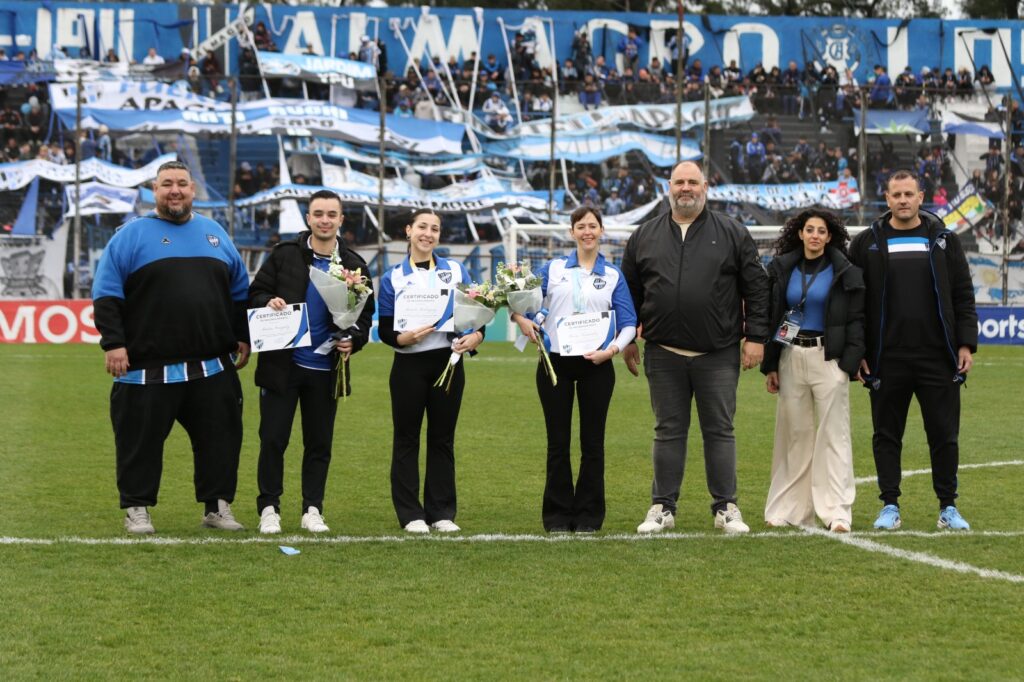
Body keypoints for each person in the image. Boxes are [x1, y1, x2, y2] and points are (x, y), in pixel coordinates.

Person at [92, 161, 250, 534]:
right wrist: (113, 343)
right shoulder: (130, 236)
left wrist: (242, 335)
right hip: (146, 367)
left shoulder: (215, 233)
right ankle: (137, 509)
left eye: (181, 183)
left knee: (220, 439)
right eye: (167, 185)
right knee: (139, 444)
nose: (175, 190)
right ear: (154, 190)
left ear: (193, 189)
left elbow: (239, 292)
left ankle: (217, 507)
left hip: (211, 365)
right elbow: (106, 295)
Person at [620, 160, 770, 534]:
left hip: (717, 352)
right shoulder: (644, 235)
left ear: (705, 187)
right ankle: (662, 507)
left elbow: (757, 288)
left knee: (719, 430)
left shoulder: (733, 232)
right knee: (667, 430)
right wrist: (625, 339)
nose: (685, 188)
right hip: (663, 351)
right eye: (679, 182)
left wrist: (755, 337)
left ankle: (725, 508)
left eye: (693, 182)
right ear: (668, 187)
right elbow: (628, 294)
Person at [849, 170, 978, 531]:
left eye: (909, 193)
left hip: (938, 356)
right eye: (896, 194)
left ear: (921, 197)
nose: (903, 200)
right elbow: (854, 302)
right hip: (886, 358)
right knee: (886, 435)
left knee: (944, 434)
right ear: (886, 199)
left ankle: (948, 508)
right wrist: (859, 349)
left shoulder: (944, 240)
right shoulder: (867, 243)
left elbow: (963, 295)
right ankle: (889, 506)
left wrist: (966, 342)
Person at [248, 190, 374, 535]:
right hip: (282, 368)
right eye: (318, 213)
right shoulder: (285, 255)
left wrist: (354, 340)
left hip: (326, 370)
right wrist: (267, 300)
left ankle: (312, 509)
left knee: (319, 444)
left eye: (331, 214)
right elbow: (254, 293)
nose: (324, 220)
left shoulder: (354, 264)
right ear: (308, 218)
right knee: (273, 440)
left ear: (341, 220)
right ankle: (269, 508)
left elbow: (366, 316)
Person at [512, 208, 637, 533]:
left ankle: (588, 517)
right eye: (580, 226)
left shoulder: (612, 275)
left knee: (593, 444)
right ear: (571, 232)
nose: (587, 231)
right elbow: (516, 299)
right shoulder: (552, 269)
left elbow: (627, 324)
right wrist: (520, 319)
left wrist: (611, 350)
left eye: (592, 226)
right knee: (558, 443)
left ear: (601, 231)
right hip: (555, 364)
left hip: (597, 365)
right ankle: (556, 517)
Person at [377, 209, 485, 534]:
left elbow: (475, 314)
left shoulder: (454, 269)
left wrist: (476, 336)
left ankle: (441, 513)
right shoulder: (392, 277)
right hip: (408, 365)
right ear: (408, 231)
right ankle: (411, 514)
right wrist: (401, 338)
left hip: (448, 363)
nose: (428, 233)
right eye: (422, 227)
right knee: (406, 439)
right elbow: (384, 329)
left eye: (435, 229)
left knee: (442, 440)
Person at [762, 208, 865, 533]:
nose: (815, 235)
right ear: (800, 233)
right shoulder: (783, 269)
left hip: (828, 358)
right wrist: (771, 365)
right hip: (791, 357)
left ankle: (837, 513)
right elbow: (773, 315)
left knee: (834, 435)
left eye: (821, 230)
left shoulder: (845, 271)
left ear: (829, 235)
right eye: (810, 230)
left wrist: (846, 364)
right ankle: (790, 510)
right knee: (795, 434)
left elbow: (857, 321)